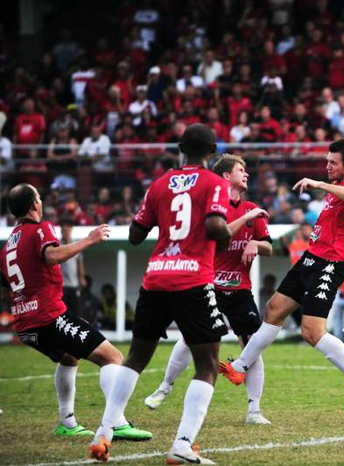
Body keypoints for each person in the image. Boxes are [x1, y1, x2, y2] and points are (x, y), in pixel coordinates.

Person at [88, 124, 232, 464]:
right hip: (193, 280)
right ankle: (182, 446)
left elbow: (136, 234)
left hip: (155, 279)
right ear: (212, 151)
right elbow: (214, 226)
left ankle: (103, 433)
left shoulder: (159, 183)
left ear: (181, 148)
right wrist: (225, 236)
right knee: (208, 364)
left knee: (136, 358)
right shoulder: (215, 182)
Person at [218, 139, 344, 416]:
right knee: (274, 309)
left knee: (311, 332)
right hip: (312, 256)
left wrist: (318, 184)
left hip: (331, 262)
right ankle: (240, 367)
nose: (327, 166)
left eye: (333, 163)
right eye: (327, 161)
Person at [0, 184, 149, 441]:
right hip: (48, 316)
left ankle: (67, 423)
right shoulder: (41, 228)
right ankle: (118, 423)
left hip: (25, 324)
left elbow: (7, 286)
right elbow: (51, 255)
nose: (40, 201)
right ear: (34, 204)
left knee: (70, 357)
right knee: (113, 357)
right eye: (38, 197)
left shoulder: (7, 248)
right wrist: (89, 239)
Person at [144, 154, 274, 425]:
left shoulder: (252, 208)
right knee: (191, 337)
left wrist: (256, 245)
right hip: (208, 283)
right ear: (226, 176)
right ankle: (164, 387)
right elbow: (222, 234)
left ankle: (254, 410)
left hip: (239, 287)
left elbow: (269, 247)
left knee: (251, 346)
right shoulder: (213, 207)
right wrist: (249, 216)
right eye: (241, 169)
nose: (247, 174)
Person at [59, 218, 86, 317]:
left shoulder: (76, 244)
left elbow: (79, 262)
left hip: (73, 285)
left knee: (75, 312)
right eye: (63, 228)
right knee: (62, 313)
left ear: (71, 230)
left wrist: (82, 277)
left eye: (67, 228)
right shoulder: (57, 245)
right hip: (62, 286)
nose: (65, 230)